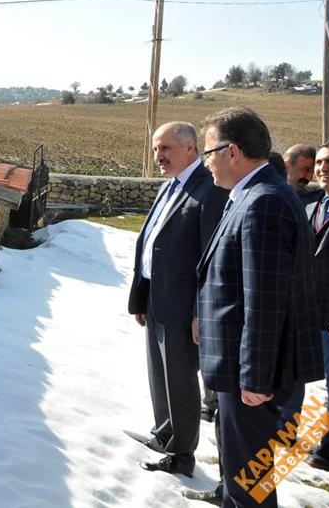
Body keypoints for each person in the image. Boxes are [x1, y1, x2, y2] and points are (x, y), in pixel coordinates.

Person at [196, 107, 323, 507]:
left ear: (232, 152)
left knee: (250, 484)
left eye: (207, 152)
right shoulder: (253, 193)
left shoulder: (263, 201)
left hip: (248, 372)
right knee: (242, 474)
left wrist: (255, 377)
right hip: (239, 362)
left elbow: (264, 298)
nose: (205, 162)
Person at [127, 122, 228, 479]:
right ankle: (163, 433)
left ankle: (181, 454)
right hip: (156, 296)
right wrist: (142, 295)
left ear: (189, 148)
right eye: (156, 149)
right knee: (159, 373)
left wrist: (201, 311)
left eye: (165, 148)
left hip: (185, 306)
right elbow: (152, 241)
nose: (158, 156)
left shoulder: (209, 189)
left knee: (181, 379)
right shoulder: (169, 186)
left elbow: (212, 257)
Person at [304, 137, 329, 471]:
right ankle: (284, 432)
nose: (322, 168)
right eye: (319, 162)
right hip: (303, 310)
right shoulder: (310, 203)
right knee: (292, 374)